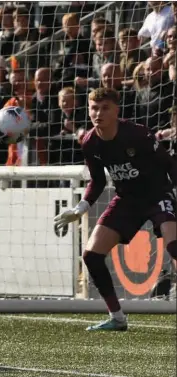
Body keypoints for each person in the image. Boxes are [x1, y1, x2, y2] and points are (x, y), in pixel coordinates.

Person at [54, 87, 177, 331]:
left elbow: (169, 164)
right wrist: (80, 208)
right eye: (94, 108)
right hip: (126, 200)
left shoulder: (138, 134)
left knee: (174, 248)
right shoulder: (90, 142)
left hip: (157, 195)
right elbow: (98, 181)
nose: (98, 113)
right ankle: (117, 317)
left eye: (104, 108)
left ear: (116, 110)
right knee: (91, 255)